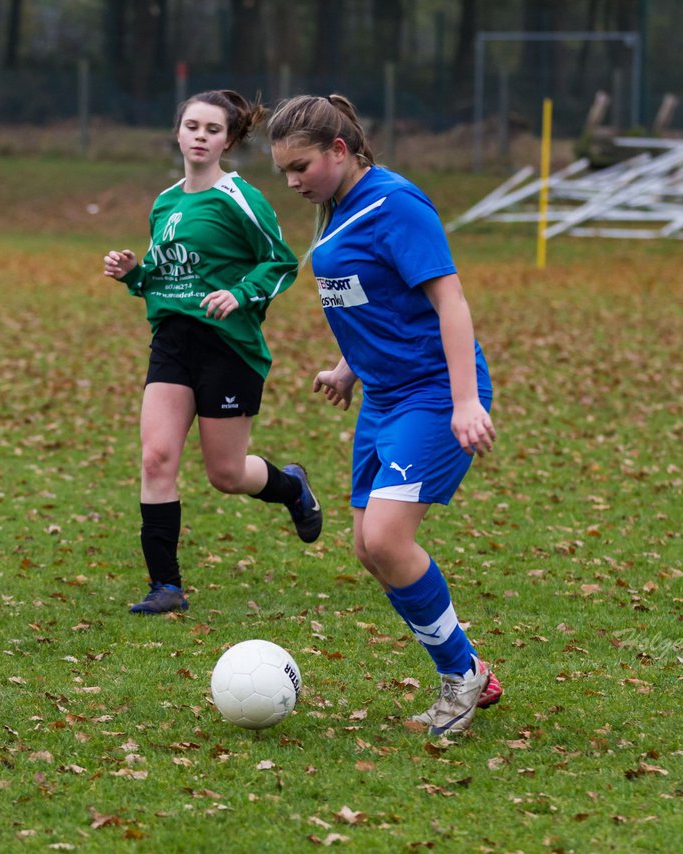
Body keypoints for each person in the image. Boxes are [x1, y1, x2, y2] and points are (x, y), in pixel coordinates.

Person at [268, 94, 502, 737]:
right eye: (283, 171)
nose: (293, 182)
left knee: (387, 540)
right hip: (385, 396)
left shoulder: (396, 204)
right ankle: (468, 667)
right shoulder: (336, 205)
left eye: (301, 167)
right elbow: (370, 300)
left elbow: (448, 300)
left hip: (431, 393)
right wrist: (348, 366)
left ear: (339, 151)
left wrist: (464, 401)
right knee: (368, 549)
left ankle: (462, 678)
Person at [103, 89, 322, 616]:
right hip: (173, 343)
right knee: (156, 459)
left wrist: (240, 293)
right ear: (177, 131)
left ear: (229, 139)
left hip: (229, 345)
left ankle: (292, 486)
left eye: (213, 130)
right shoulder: (165, 202)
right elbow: (167, 275)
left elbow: (281, 263)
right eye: (192, 126)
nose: (200, 137)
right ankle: (166, 587)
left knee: (225, 475)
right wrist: (135, 274)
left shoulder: (239, 197)